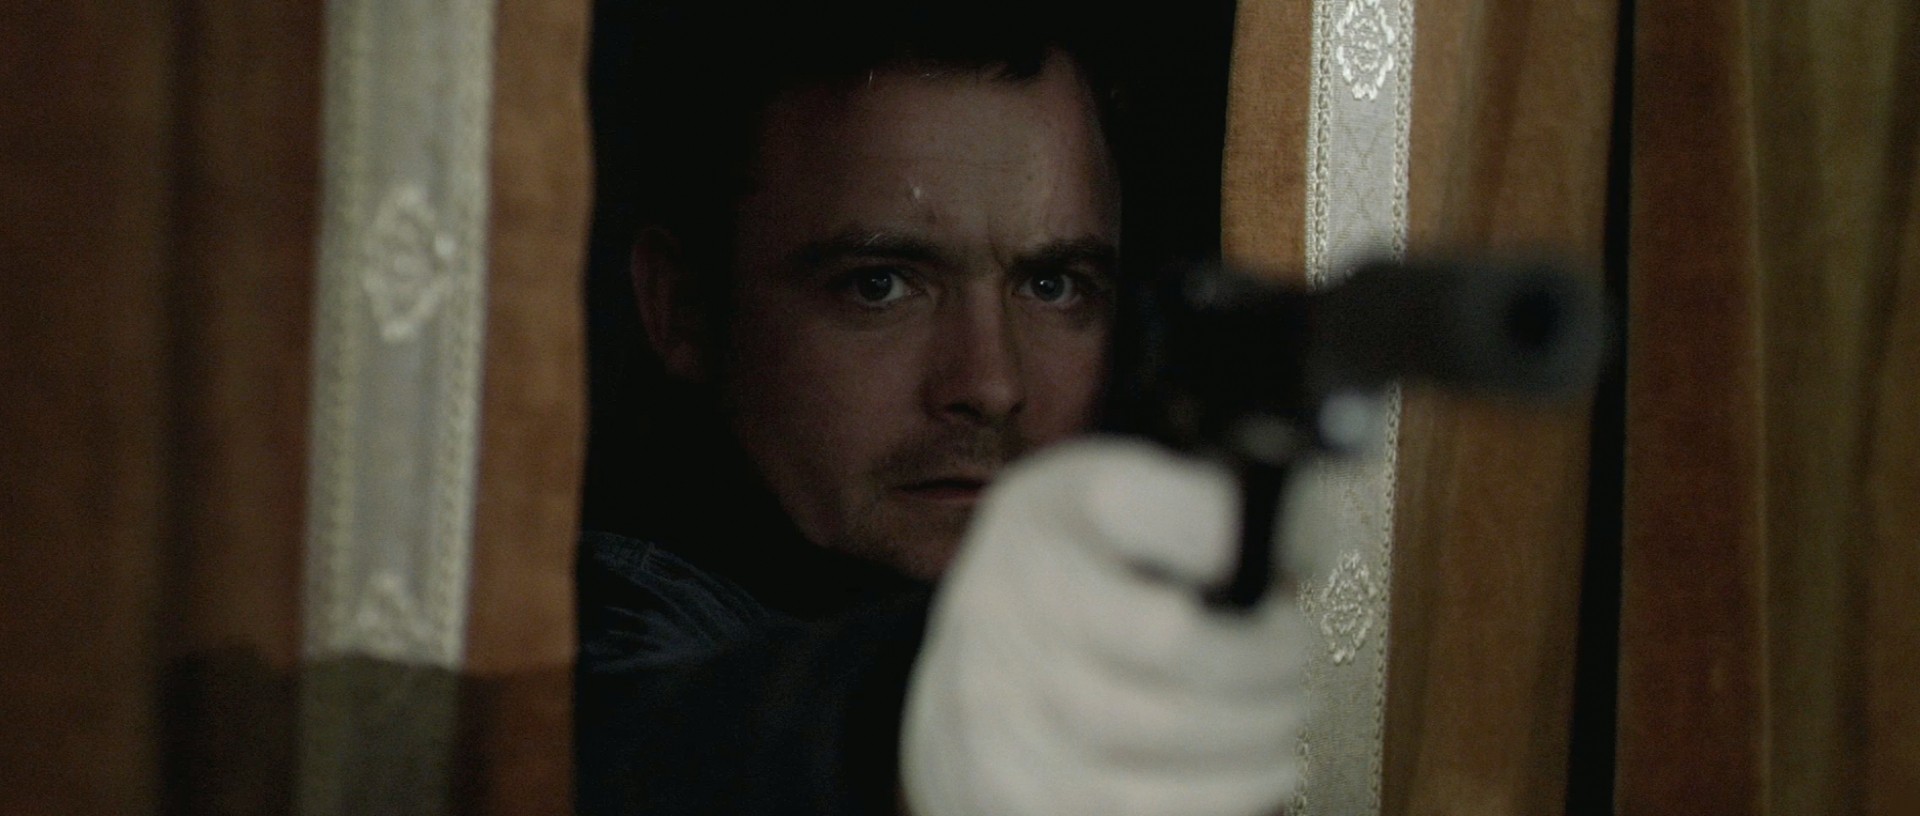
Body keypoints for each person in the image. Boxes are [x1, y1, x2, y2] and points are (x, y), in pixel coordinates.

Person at [576, 3, 1313, 814]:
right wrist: (916, 724)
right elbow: (622, 740)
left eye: (1053, 285)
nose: (991, 384)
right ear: (682, 309)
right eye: (879, 285)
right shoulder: (585, 631)